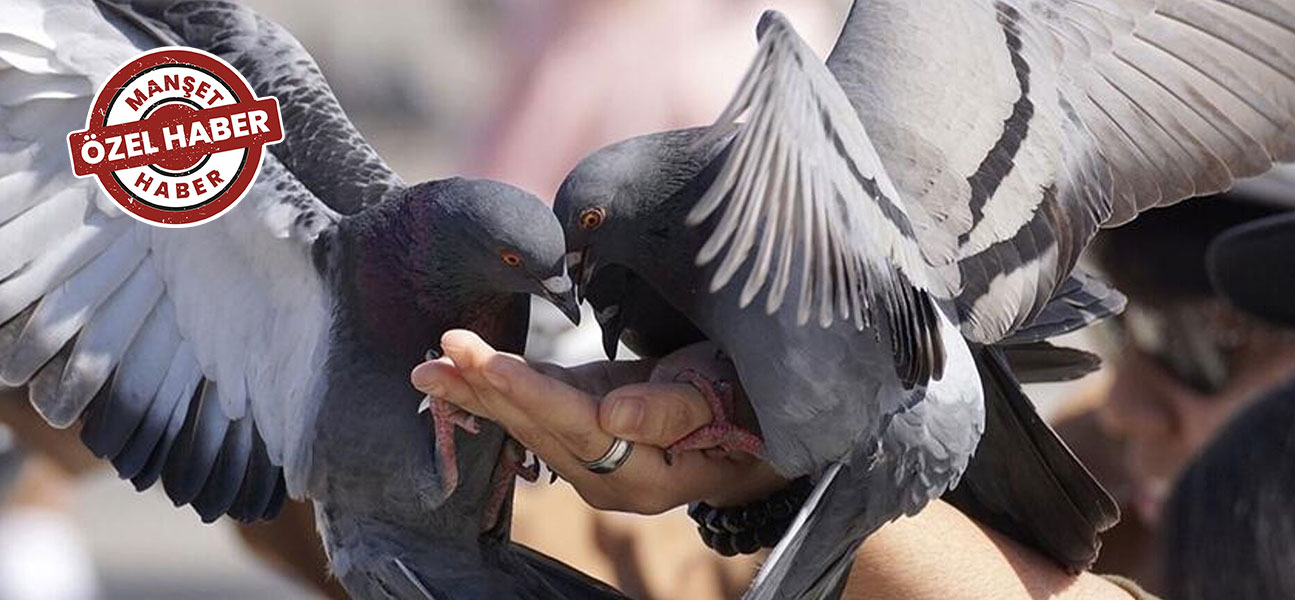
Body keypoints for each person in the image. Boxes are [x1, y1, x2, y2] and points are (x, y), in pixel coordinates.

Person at [411, 330, 1146, 599]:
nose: (1134, 395)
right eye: (1136, 328)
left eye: (1209, 337)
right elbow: (662, 563)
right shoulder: (1106, 444)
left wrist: (787, 465)